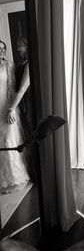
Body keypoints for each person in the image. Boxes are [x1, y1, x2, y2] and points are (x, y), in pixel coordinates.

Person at [0, 40, 30, 194]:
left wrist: (11, 109)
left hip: (6, 108)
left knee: (8, 141)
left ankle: (14, 178)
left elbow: (13, 89)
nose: (0, 52)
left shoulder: (9, 66)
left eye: (2, 49)